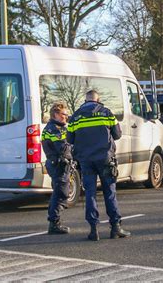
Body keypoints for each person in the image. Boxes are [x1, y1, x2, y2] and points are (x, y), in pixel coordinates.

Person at [67, 90, 130, 241]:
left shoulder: (75, 116)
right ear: (98, 99)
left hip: (86, 160)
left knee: (90, 194)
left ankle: (93, 229)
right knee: (110, 192)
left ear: (85, 100)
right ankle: (115, 227)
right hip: (105, 159)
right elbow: (117, 134)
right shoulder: (107, 113)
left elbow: (70, 139)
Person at [41, 102, 72, 234]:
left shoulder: (56, 127)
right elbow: (63, 148)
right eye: (64, 114)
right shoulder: (54, 129)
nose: (66, 117)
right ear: (55, 115)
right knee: (60, 194)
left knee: (59, 193)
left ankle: (54, 221)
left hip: (58, 164)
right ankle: (54, 223)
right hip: (58, 164)